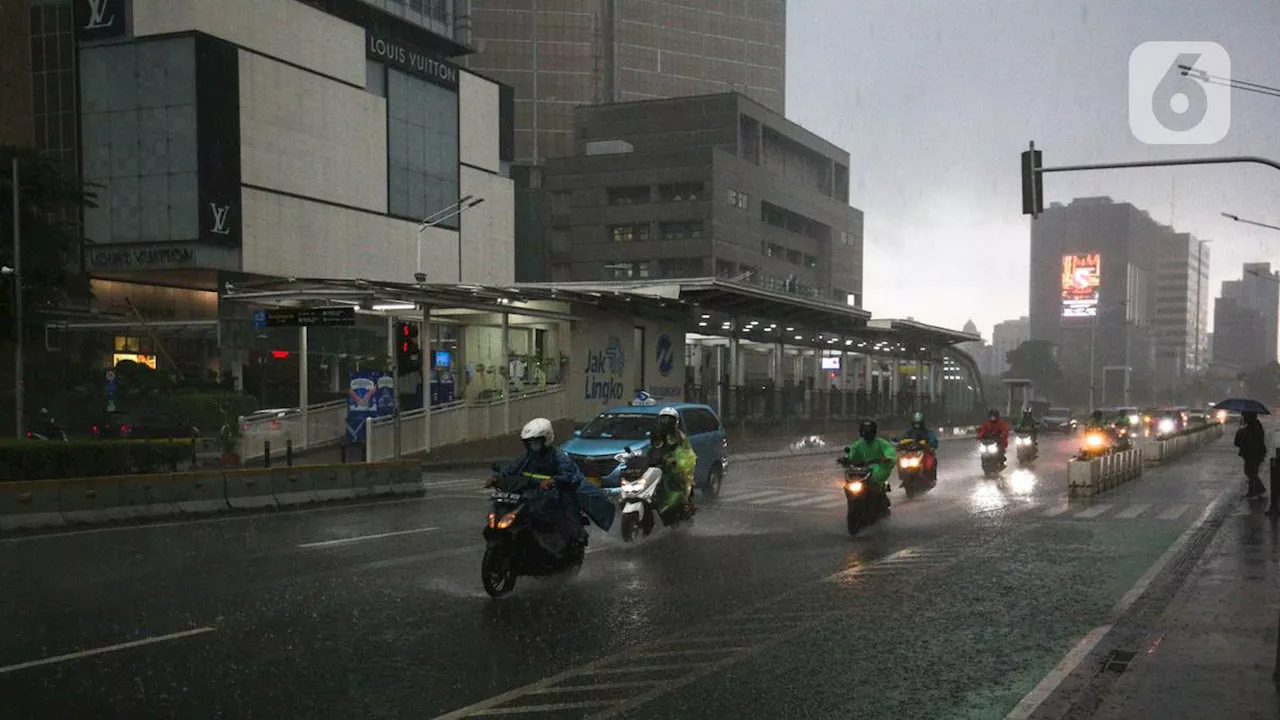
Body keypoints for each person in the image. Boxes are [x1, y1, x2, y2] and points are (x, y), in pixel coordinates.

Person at [494, 418, 617, 555]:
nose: (532, 445)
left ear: (546, 439)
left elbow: (569, 474)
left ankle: (570, 542)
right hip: (532, 493)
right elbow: (510, 469)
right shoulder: (526, 457)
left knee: (566, 511)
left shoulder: (558, 456)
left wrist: (553, 481)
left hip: (554, 495)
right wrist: (496, 478)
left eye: (536, 442)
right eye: (529, 442)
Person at [648, 407, 698, 522]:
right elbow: (653, 447)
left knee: (681, 481)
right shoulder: (656, 432)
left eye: (668, 419)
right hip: (658, 464)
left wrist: (676, 461)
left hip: (674, 468)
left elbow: (687, 452)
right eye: (663, 418)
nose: (665, 422)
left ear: (675, 421)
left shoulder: (680, 436)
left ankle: (685, 504)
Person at [844, 419, 897, 511]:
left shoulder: (881, 443)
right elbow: (851, 453)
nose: (867, 433)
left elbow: (889, 452)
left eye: (869, 431)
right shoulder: (858, 444)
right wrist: (846, 459)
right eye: (865, 431)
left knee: (877, 478)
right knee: (849, 480)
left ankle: (879, 497)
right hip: (862, 470)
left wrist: (886, 458)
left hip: (878, 468)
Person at [1234, 410, 1267, 499]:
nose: (1243, 418)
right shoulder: (1249, 428)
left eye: (1244, 416)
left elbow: (1251, 442)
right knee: (1250, 472)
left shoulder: (1254, 428)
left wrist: (1241, 433)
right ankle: (1258, 489)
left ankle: (1254, 491)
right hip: (1250, 454)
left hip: (1254, 453)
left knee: (1251, 472)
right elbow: (1238, 442)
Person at [901, 411, 940, 481]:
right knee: (900, 460)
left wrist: (931, 445)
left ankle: (930, 477)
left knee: (930, 460)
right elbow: (901, 440)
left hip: (923, 452)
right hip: (910, 453)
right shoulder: (908, 432)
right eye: (915, 423)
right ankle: (902, 475)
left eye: (918, 423)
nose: (917, 425)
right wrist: (899, 444)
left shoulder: (928, 432)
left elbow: (934, 441)